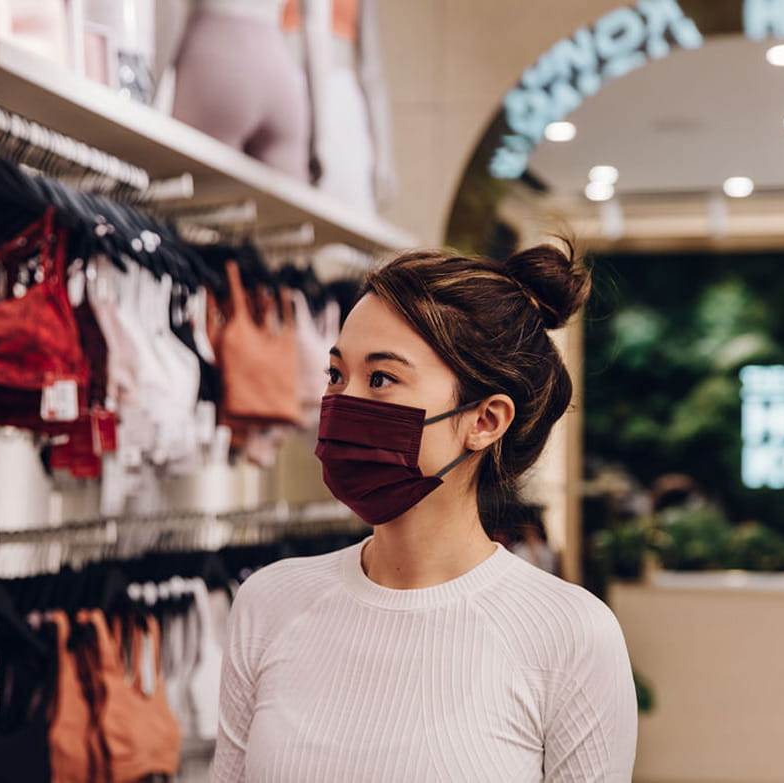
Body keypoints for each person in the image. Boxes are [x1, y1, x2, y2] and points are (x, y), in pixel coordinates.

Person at [210, 244, 637, 781]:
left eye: (382, 379)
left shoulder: (570, 634)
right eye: (336, 375)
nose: (342, 402)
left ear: (484, 420)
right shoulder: (268, 601)